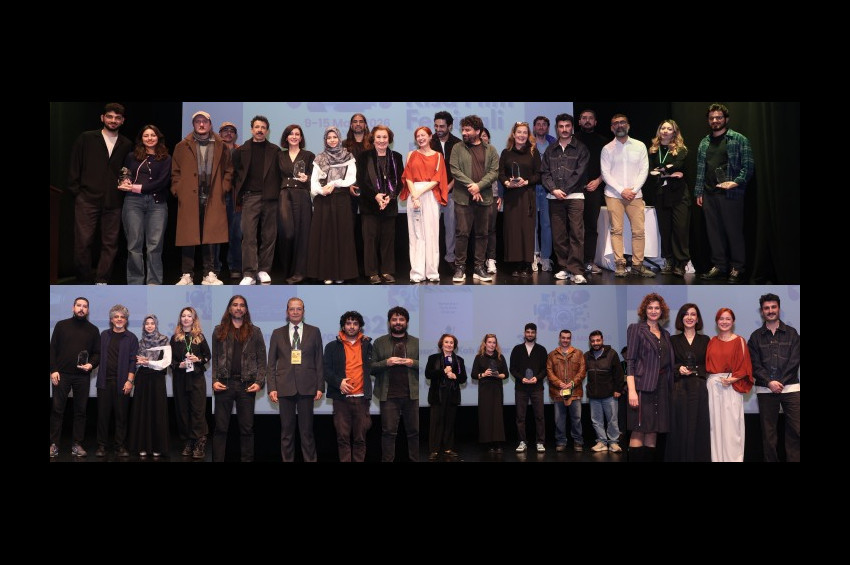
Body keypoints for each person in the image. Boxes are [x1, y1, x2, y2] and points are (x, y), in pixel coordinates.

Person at [68, 102, 133, 284]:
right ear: (102, 118)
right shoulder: (87, 138)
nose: (113, 120)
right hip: (87, 199)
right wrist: (77, 192)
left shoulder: (126, 144)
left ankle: (102, 280)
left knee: (110, 245)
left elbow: (127, 171)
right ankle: (84, 281)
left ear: (122, 121)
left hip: (114, 201)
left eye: (117, 118)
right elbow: (75, 164)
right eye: (110, 116)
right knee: (83, 243)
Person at [172, 110, 233, 286]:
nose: (201, 124)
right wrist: (178, 190)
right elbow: (175, 171)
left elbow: (229, 170)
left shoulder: (221, 145)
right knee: (188, 236)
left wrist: (224, 188)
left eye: (204, 121)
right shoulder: (182, 146)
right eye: (197, 121)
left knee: (210, 236)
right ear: (193, 124)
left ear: (210, 124)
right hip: (190, 196)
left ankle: (210, 273)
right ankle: (187, 274)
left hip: (213, 195)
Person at [696, 103, 754, 284]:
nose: (715, 120)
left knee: (733, 232)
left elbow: (748, 166)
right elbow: (701, 169)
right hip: (709, 194)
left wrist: (735, 182)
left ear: (726, 119)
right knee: (714, 233)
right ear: (708, 120)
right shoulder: (704, 142)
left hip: (731, 194)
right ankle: (719, 266)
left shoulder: (738, 139)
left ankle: (737, 268)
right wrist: (699, 192)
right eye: (712, 118)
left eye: (719, 117)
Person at [267, 297, 324, 462]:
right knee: (286, 432)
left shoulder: (314, 331)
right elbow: (271, 363)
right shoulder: (277, 333)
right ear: (287, 312)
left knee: (307, 432)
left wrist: (320, 386)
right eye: (292, 309)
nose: (295, 312)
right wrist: (272, 388)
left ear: (303, 311)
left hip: (308, 387)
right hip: (284, 387)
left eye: (299, 309)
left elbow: (319, 360)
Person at [211, 295, 267, 462]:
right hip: (224, 384)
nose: (238, 308)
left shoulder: (255, 332)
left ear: (246, 310)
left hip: (246, 386)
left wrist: (259, 382)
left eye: (242, 305)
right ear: (229, 308)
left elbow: (262, 360)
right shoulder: (219, 330)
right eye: (235, 305)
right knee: (220, 429)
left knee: (247, 430)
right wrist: (214, 380)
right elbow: (215, 358)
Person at [748, 293, 800, 462]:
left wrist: (780, 382)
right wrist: (770, 382)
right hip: (765, 389)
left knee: (796, 431)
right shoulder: (755, 337)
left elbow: (795, 361)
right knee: (768, 434)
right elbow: (754, 364)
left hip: (791, 388)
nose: (770, 311)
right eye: (766, 308)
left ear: (779, 308)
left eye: (773, 307)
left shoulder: (792, 333)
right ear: (762, 311)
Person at [600, 114, 653, 278]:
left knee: (639, 231)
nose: (619, 125)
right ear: (612, 128)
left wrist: (633, 190)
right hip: (613, 194)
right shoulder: (607, 149)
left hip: (635, 195)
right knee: (616, 230)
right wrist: (622, 190)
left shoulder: (639, 146)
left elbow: (644, 170)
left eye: (622, 122)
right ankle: (620, 264)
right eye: (615, 123)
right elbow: (605, 173)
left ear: (628, 126)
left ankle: (637, 265)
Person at [232, 115, 282, 285]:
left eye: (263, 127)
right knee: (248, 236)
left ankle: (264, 270)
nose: (260, 130)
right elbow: (236, 174)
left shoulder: (275, 151)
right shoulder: (241, 151)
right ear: (252, 129)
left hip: (271, 197)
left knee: (269, 235)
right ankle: (249, 272)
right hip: (250, 196)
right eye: (257, 127)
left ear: (267, 131)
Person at [119, 124, 172, 285]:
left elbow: (162, 183)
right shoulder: (132, 156)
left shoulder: (166, 158)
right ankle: (135, 283)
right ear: (141, 139)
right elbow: (125, 173)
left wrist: (136, 187)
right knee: (134, 245)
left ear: (158, 137)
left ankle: (153, 283)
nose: (150, 138)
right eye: (146, 135)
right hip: (133, 202)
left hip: (157, 204)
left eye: (153, 135)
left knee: (154, 246)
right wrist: (125, 181)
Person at [449, 115, 500, 283]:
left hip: (484, 198)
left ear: (478, 131)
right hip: (463, 199)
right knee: (462, 234)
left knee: (482, 234)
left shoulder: (490, 149)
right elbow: (455, 170)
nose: (464, 132)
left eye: (468, 130)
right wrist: (473, 186)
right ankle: (460, 267)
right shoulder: (457, 148)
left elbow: (494, 172)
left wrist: (479, 186)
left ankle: (479, 267)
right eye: (463, 129)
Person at [540, 113, 590, 284]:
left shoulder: (581, 148)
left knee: (576, 233)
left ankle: (576, 270)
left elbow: (579, 173)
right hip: (554, 197)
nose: (564, 129)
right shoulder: (550, 149)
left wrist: (564, 190)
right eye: (561, 126)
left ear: (572, 127)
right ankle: (564, 267)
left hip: (575, 196)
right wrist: (554, 190)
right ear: (557, 128)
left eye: (567, 126)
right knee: (559, 234)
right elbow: (544, 172)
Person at [625, 293, 674, 462]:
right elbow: (630, 361)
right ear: (644, 310)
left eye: (657, 308)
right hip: (642, 388)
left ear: (662, 311)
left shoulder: (666, 334)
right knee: (639, 429)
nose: (654, 311)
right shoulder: (636, 329)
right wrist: (632, 391)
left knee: (653, 429)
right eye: (650, 308)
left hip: (661, 388)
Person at [306, 126, 358, 284]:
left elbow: (351, 178)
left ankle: (340, 273)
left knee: (342, 237)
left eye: (335, 137)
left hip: (341, 199)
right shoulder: (320, 158)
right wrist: (321, 191)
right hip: (324, 200)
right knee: (326, 238)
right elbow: (314, 181)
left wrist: (334, 183)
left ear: (339, 138)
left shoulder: (348, 156)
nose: (332, 140)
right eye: (329, 138)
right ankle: (326, 274)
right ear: (325, 140)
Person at [49, 297, 100, 458]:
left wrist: (91, 364)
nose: (81, 308)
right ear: (73, 308)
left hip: (82, 377)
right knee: (57, 410)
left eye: (85, 306)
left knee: (80, 412)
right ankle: (54, 444)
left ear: (88, 310)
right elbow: (52, 349)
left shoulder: (93, 330)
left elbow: (97, 353)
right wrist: (53, 370)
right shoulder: (61, 325)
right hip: (61, 375)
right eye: (79, 305)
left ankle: (77, 444)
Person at [323, 311, 374, 462]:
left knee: (360, 439)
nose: (352, 326)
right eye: (348, 323)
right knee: (342, 438)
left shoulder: (367, 345)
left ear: (360, 327)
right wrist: (339, 382)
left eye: (355, 323)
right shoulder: (332, 346)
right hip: (341, 400)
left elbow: (374, 366)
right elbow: (325, 370)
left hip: (362, 399)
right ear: (343, 326)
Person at [371, 306, 419, 462]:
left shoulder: (416, 342)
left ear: (407, 322)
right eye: (394, 319)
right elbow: (370, 368)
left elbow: (427, 366)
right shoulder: (379, 342)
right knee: (388, 433)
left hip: (412, 395)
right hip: (388, 396)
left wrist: (413, 363)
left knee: (414, 432)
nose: (398, 322)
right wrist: (386, 362)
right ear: (389, 322)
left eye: (401, 319)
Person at [401, 126, 448, 283]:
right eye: (418, 136)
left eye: (423, 135)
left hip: (429, 195)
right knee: (416, 235)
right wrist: (414, 195)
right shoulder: (411, 155)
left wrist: (419, 193)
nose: (420, 138)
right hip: (413, 194)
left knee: (432, 234)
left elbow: (437, 179)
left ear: (429, 137)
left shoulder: (438, 156)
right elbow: (408, 177)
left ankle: (432, 272)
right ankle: (417, 273)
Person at [357, 125, 404, 284]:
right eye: (378, 137)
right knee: (370, 241)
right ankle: (372, 273)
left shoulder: (396, 157)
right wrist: (375, 196)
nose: (382, 140)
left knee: (388, 241)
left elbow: (400, 181)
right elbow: (361, 181)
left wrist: (390, 197)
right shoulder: (364, 157)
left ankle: (386, 271)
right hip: (369, 205)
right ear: (373, 139)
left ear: (389, 139)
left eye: (385, 137)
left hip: (389, 205)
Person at [706, 307, 754, 462]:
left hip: (732, 387)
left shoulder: (739, 341)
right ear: (716, 321)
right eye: (721, 318)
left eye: (728, 319)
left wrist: (732, 379)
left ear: (733, 321)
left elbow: (745, 367)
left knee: (732, 429)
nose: (724, 322)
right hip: (713, 387)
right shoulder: (711, 341)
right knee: (715, 427)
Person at [665, 303, 711, 462]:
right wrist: (679, 369)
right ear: (681, 318)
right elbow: (668, 364)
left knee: (698, 427)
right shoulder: (672, 340)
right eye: (686, 314)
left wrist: (696, 370)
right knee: (679, 427)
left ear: (698, 319)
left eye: (693, 314)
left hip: (699, 389)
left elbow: (709, 365)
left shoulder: (705, 340)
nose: (689, 317)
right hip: (679, 390)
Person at [95, 304, 138, 458]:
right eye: (116, 317)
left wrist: (129, 381)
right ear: (111, 319)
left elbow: (133, 361)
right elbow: (96, 355)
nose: (119, 319)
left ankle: (120, 446)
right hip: (104, 383)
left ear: (126, 320)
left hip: (123, 383)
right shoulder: (104, 335)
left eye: (122, 317)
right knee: (103, 416)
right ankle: (102, 446)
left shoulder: (131, 338)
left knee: (121, 416)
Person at [498, 122, 540, 277]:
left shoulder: (533, 152)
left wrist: (526, 181)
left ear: (528, 135)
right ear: (513, 134)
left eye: (525, 132)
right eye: (519, 132)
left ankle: (527, 264)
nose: (522, 135)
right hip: (511, 196)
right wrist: (507, 183)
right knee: (513, 230)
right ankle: (515, 264)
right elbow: (500, 173)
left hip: (527, 195)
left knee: (527, 230)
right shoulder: (506, 152)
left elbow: (539, 174)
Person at [648, 119, 690, 277]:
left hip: (679, 194)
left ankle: (681, 263)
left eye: (669, 129)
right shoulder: (653, 150)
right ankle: (669, 260)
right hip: (661, 193)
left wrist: (662, 169)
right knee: (665, 229)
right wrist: (669, 171)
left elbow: (678, 165)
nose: (665, 131)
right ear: (659, 131)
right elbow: (650, 170)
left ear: (674, 132)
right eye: (663, 128)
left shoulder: (681, 149)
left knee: (680, 229)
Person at [170, 306, 211, 459]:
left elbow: (208, 356)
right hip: (180, 379)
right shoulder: (175, 338)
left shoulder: (199, 337)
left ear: (194, 319)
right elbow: (170, 360)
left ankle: (200, 441)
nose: (186, 318)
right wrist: (178, 365)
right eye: (183, 316)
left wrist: (198, 359)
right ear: (180, 319)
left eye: (189, 316)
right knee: (183, 411)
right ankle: (189, 441)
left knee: (197, 411)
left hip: (196, 379)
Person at [128, 315, 172, 457]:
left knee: (156, 412)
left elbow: (166, 362)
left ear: (156, 325)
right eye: (147, 323)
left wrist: (148, 362)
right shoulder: (140, 342)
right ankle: (142, 446)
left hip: (157, 379)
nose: (149, 326)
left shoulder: (164, 340)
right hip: (142, 379)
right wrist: (139, 363)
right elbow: (136, 362)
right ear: (144, 326)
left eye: (152, 323)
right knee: (142, 412)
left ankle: (157, 447)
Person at [278, 124, 315, 284]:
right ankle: (286, 270)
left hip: (302, 195)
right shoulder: (279, 155)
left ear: (301, 138)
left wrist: (308, 178)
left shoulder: (309, 155)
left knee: (303, 234)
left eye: (297, 134)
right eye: (291, 134)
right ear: (286, 137)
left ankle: (300, 272)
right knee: (288, 233)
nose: (294, 136)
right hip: (284, 195)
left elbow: (316, 177)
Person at [574, 109, 608, 275]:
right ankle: (574, 262)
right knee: (574, 228)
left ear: (595, 122)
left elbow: (609, 167)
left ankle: (589, 261)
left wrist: (598, 181)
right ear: (579, 121)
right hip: (574, 190)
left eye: (590, 118)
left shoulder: (604, 142)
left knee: (591, 227)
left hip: (594, 189)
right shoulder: (572, 140)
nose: (587, 120)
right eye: (584, 118)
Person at [425, 333, 467, 461]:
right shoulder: (433, 358)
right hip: (437, 395)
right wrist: (443, 371)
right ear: (441, 344)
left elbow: (463, 378)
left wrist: (455, 376)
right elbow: (428, 374)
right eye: (446, 342)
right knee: (436, 423)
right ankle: (434, 449)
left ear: (454, 345)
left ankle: (448, 448)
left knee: (449, 422)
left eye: (451, 343)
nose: (449, 345)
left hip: (452, 395)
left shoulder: (459, 360)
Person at [509, 323, 548, 453]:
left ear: (536, 334)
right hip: (521, 388)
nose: (530, 334)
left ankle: (540, 442)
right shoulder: (517, 349)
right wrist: (522, 378)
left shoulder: (541, 350)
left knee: (540, 416)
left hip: (537, 388)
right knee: (520, 417)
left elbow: (545, 369)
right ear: (524, 333)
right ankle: (522, 441)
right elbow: (512, 369)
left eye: (532, 332)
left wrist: (537, 378)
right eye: (528, 332)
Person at [584, 330, 625, 453]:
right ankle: (601, 442)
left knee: (612, 420)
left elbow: (619, 373)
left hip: (609, 394)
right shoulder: (586, 356)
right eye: (593, 341)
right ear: (590, 342)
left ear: (602, 340)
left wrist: (618, 389)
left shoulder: (612, 354)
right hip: (593, 395)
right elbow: (581, 373)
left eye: (598, 340)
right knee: (596, 420)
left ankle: (613, 443)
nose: (595, 343)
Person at [546, 329, 586, 452]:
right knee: (559, 420)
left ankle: (578, 441)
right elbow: (549, 372)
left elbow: (582, 371)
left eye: (568, 338)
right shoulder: (552, 355)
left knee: (576, 419)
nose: (565, 340)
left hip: (575, 392)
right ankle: (561, 441)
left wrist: (572, 383)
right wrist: (559, 383)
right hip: (558, 392)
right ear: (559, 338)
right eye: (563, 337)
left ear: (570, 339)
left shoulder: (578, 353)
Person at [432, 111, 461, 265]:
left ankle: (450, 258)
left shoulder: (458, 144)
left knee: (451, 227)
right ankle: (432, 260)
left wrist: (448, 186)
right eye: (436, 126)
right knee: (431, 228)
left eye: (442, 126)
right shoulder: (429, 142)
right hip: (432, 193)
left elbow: (461, 170)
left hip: (451, 192)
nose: (438, 129)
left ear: (450, 126)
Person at [471, 334, 508, 454]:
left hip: (497, 389)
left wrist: (498, 375)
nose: (492, 345)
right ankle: (488, 444)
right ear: (485, 343)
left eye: (494, 342)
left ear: (496, 344)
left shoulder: (500, 357)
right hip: (485, 390)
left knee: (497, 416)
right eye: (489, 342)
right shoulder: (479, 358)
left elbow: (506, 374)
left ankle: (498, 443)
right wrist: (483, 374)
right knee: (486, 416)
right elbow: (473, 374)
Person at [218, 121, 242, 281]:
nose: (228, 133)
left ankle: (235, 267)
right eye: (225, 130)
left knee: (236, 234)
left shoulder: (241, 151)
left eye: (232, 131)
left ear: (235, 135)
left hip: (235, 197)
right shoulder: (214, 150)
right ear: (219, 133)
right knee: (215, 234)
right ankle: (214, 267)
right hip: (217, 195)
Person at [531, 116, 556, 272]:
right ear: (534, 127)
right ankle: (534, 255)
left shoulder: (553, 145)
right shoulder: (528, 144)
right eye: (538, 124)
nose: (541, 127)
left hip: (547, 188)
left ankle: (546, 257)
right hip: (532, 187)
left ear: (548, 127)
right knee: (532, 223)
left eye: (544, 125)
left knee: (546, 224)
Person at [481, 128, 501, 275]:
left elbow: (499, 175)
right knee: (478, 230)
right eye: (480, 136)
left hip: (492, 195)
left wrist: (501, 195)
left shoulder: (494, 152)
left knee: (491, 229)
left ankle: (491, 259)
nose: (482, 138)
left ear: (488, 138)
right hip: (475, 195)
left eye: (485, 136)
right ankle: (479, 261)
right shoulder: (469, 153)